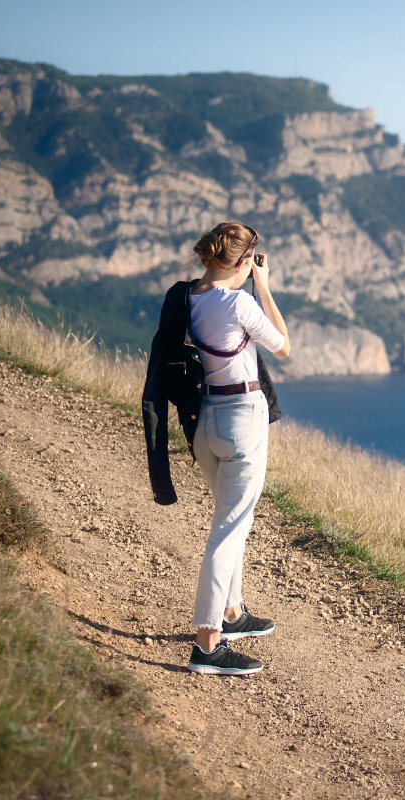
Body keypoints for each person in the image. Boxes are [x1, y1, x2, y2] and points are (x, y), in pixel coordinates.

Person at [141, 221, 290, 676]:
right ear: (244, 263)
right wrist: (264, 286)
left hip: (204, 421)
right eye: (251, 263)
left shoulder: (187, 298)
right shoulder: (239, 301)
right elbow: (283, 346)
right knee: (228, 531)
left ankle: (232, 613)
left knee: (230, 519)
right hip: (243, 418)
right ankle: (208, 644)